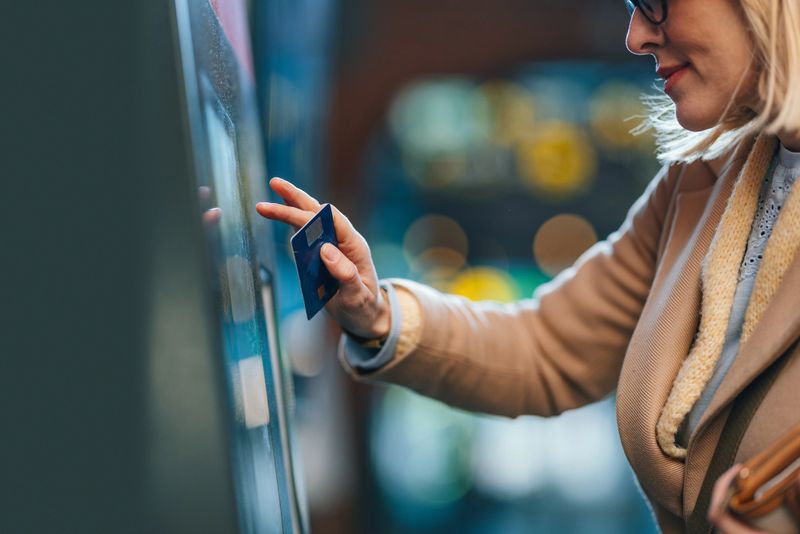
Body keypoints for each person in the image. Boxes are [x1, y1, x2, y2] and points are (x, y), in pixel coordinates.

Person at [256, 0, 800, 532]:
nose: (635, 36)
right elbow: (546, 347)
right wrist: (375, 313)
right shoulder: (706, 179)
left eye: (655, 3)